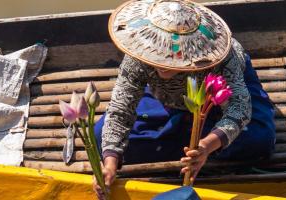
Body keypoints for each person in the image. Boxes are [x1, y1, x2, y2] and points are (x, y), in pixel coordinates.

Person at [92, 0, 276, 196]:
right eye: (157, 54)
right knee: (100, 136)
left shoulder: (221, 56)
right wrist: (110, 164)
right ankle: (190, 139)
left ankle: (197, 142)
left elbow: (239, 107)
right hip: (167, 99)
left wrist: (206, 146)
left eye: (171, 55)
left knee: (260, 139)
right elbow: (120, 110)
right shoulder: (138, 56)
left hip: (217, 98)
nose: (162, 63)